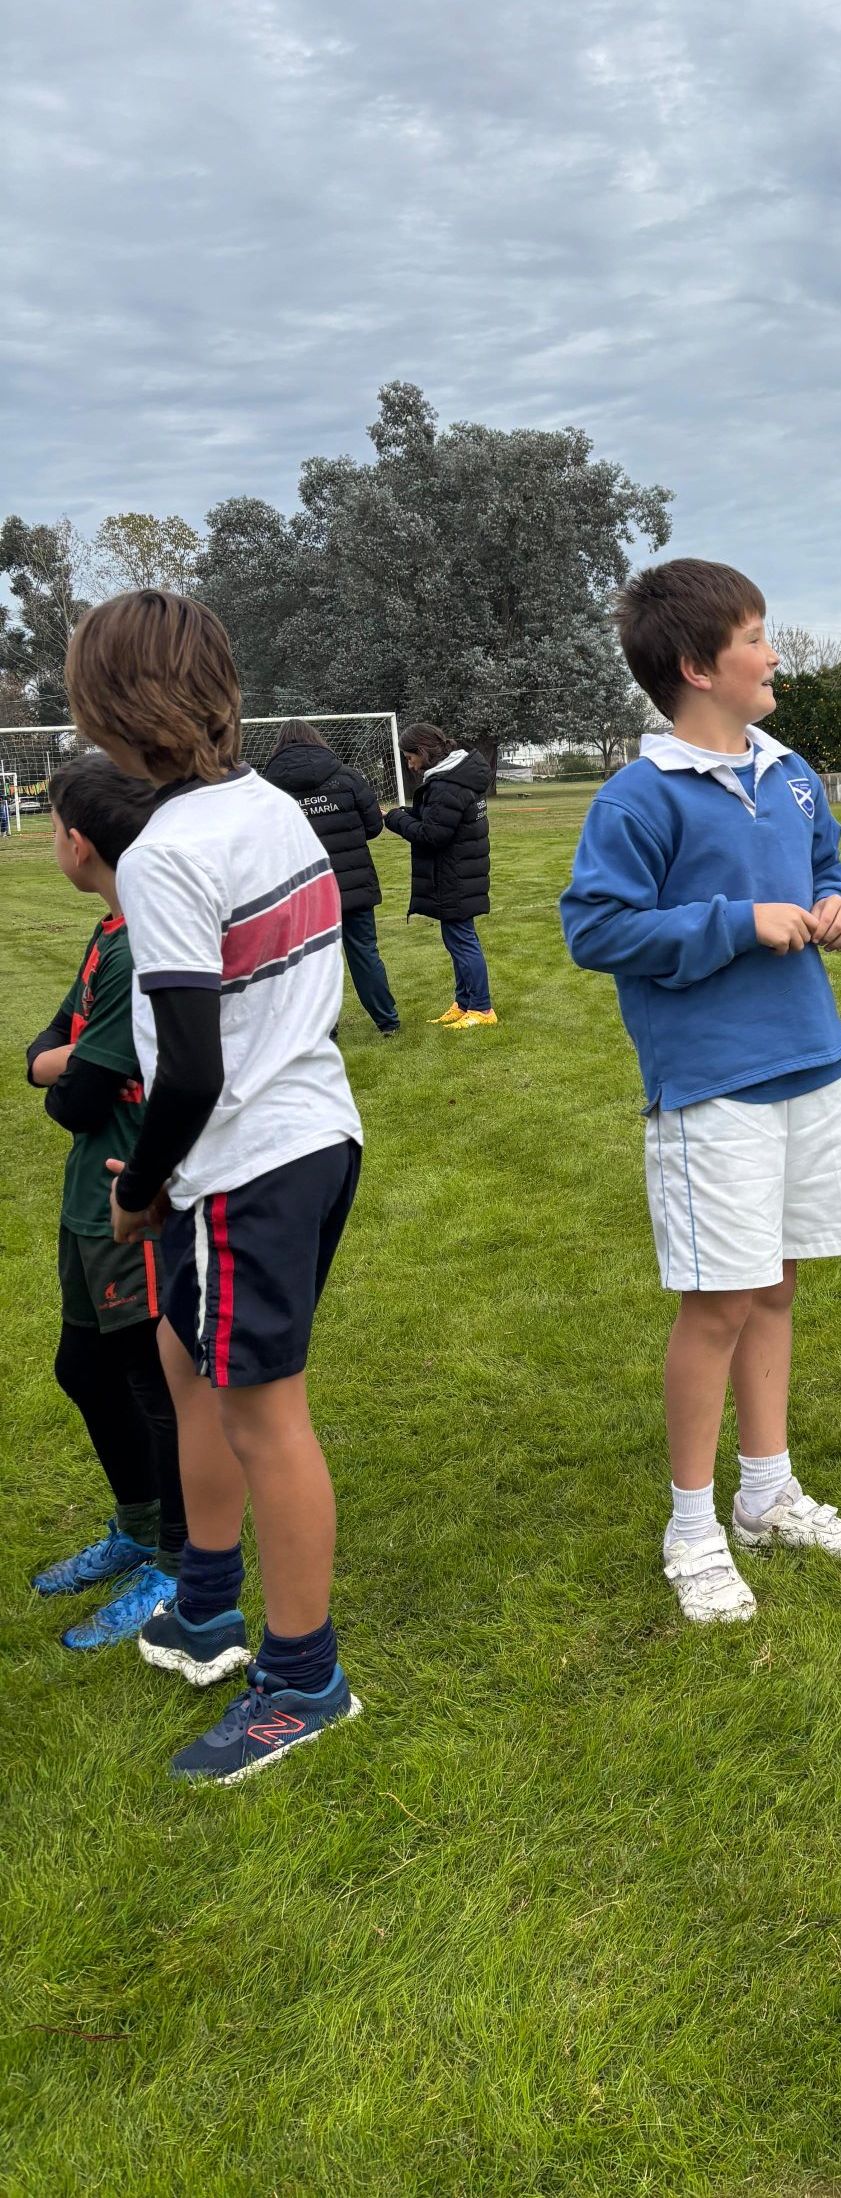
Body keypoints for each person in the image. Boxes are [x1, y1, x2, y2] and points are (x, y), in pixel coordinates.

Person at [64, 588, 365, 1783]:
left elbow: (189, 1066)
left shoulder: (167, 852)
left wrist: (142, 1185)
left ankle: (302, 1679)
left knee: (264, 1416)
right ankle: (204, 1603)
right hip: (310, 1136)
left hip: (247, 1162)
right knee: (189, 1363)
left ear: (107, 709)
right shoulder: (267, 805)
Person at [560, 558, 841, 1627]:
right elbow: (595, 929)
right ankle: (691, 1527)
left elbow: (829, 867)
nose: (774, 653)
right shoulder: (638, 795)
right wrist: (739, 923)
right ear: (700, 668)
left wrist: (837, 905)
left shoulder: (792, 774)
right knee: (719, 1304)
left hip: (807, 1062)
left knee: (776, 1286)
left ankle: (767, 1495)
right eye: (755, 637)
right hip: (711, 1087)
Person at [24, 753, 186, 1651]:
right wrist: (63, 1062)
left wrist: (63, 1068)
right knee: (83, 1368)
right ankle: (137, 1525)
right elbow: (50, 1048)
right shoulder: (108, 929)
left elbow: (78, 1097)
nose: (51, 839)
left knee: (151, 1380)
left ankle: (178, 1561)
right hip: (86, 1191)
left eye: (51, 826)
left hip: (131, 1189)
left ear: (78, 842)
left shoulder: (142, 942)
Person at [262, 720, 400, 1035]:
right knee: (364, 951)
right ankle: (387, 1021)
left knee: (315, 960)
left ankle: (326, 1028)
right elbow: (373, 826)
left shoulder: (268, 788)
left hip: (305, 888)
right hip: (353, 883)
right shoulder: (348, 777)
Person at [385, 725, 495, 1027]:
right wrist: (402, 813)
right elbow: (439, 817)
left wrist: (396, 820)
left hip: (455, 875)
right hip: (460, 871)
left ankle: (482, 1009)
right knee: (456, 939)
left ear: (422, 752)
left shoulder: (447, 784)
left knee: (462, 940)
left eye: (410, 758)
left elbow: (433, 834)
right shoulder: (456, 777)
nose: (410, 766)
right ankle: (464, 1002)